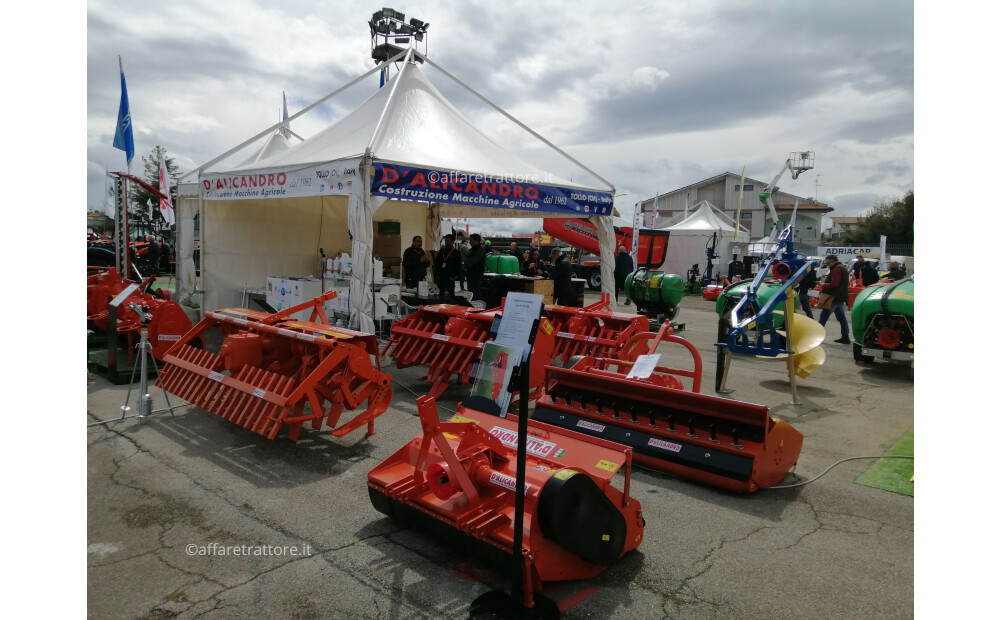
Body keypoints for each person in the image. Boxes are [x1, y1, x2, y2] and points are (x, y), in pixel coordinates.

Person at [818, 255, 851, 344]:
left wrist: (823, 284)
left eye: (828, 263)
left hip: (833, 297)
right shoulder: (842, 268)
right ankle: (845, 337)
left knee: (823, 317)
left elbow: (834, 283)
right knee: (842, 318)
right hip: (840, 297)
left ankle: (816, 336)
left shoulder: (836, 269)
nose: (828, 265)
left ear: (833, 261)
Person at [434, 234, 462, 298]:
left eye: (448, 241)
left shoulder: (456, 252)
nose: (446, 243)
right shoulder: (441, 251)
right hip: (440, 277)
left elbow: (458, 266)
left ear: (453, 242)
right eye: (446, 241)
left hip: (450, 278)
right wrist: (437, 275)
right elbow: (437, 263)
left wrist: (454, 276)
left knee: (451, 296)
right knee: (440, 295)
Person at [465, 233, 486, 300]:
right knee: (470, 295)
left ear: (476, 241)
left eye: (471, 240)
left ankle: (476, 309)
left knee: (475, 296)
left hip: (476, 277)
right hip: (470, 276)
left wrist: (466, 262)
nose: (469, 242)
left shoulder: (480, 251)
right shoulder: (471, 250)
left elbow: (469, 263)